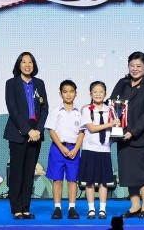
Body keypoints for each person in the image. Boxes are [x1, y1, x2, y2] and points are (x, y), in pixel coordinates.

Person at [109, 51, 144, 219]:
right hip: (123, 137)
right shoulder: (122, 83)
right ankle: (135, 206)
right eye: (132, 65)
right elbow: (113, 104)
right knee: (129, 172)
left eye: (139, 66)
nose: (135, 69)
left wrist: (133, 131)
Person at [4, 52, 49, 220]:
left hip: (36, 133)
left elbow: (44, 108)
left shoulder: (39, 83)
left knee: (30, 172)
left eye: (30, 62)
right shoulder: (11, 83)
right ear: (19, 65)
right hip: (18, 132)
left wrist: (38, 130)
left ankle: (25, 208)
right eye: (24, 62)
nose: (27, 65)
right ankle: (16, 208)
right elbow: (13, 109)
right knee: (17, 172)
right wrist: (27, 130)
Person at [44, 80, 84, 220]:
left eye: (71, 91)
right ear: (60, 94)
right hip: (57, 149)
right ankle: (57, 208)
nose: (68, 94)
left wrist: (76, 149)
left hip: (74, 149)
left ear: (76, 93)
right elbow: (51, 131)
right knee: (57, 180)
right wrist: (61, 147)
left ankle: (72, 208)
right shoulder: (55, 112)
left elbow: (82, 132)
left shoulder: (80, 113)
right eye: (65, 92)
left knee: (73, 180)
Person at [80, 81, 119, 220]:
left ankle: (102, 209)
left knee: (103, 182)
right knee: (89, 181)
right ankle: (91, 209)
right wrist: (110, 123)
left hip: (105, 149)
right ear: (90, 94)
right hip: (90, 149)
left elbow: (116, 127)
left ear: (105, 94)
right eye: (95, 92)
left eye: (101, 92)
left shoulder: (111, 110)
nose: (98, 94)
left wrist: (117, 127)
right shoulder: (87, 109)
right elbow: (91, 128)